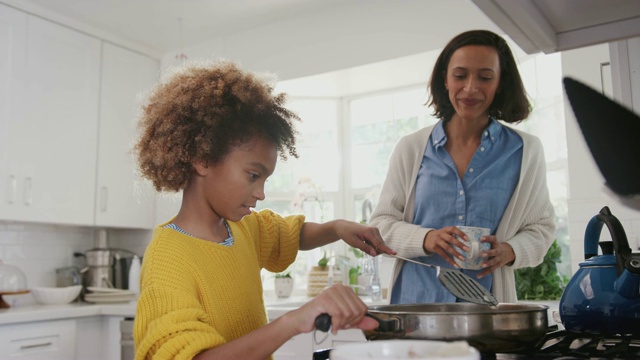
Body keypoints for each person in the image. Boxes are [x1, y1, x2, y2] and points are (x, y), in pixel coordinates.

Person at [132, 59, 395, 360]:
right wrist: (293, 321)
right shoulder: (168, 258)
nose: (261, 193)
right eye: (253, 175)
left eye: (266, 179)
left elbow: (292, 235)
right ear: (202, 159)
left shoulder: (243, 228)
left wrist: (336, 228)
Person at [369, 29, 556, 304]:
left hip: (486, 314)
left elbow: (542, 228)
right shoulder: (410, 148)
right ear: (445, 79)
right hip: (415, 310)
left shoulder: (525, 151)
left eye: (485, 77)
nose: (470, 88)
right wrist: (426, 238)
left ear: (500, 83)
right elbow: (380, 227)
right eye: (460, 75)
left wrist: (510, 250)